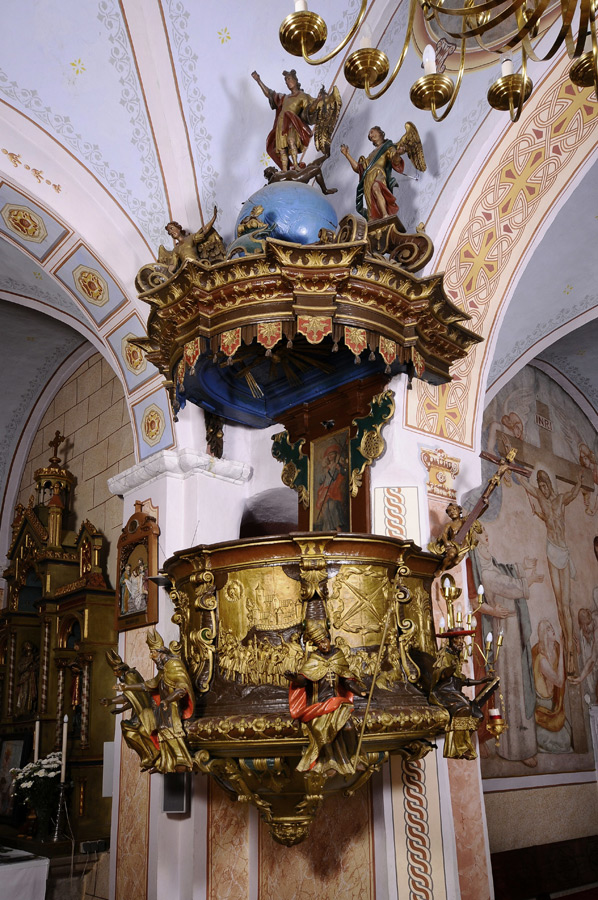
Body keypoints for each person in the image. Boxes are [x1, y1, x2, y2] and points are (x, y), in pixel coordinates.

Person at [470, 527, 542, 766]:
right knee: (512, 688)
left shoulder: (492, 568)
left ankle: (523, 745)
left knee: (517, 686)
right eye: (483, 542)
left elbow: (506, 570)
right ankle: (516, 749)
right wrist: (530, 579)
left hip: (512, 632)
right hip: (505, 636)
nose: (487, 543)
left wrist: (524, 567)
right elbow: (512, 586)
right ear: (476, 550)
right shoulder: (487, 575)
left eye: (487, 539)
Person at [286, 621, 366, 775]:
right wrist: (295, 678)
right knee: (319, 729)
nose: (323, 645)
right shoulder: (314, 659)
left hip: (338, 703)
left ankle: (356, 758)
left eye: (324, 641)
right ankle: (329, 762)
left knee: (348, 727)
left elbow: (347, 681)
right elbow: (304, 680)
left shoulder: (338, 656)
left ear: (329, 639)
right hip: (318, 706)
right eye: (319, 643)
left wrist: (361, 692)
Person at [523, 469, 582, 674]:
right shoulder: (540, 498)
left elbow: (573, 494)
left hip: (562, 551)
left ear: (549, 484)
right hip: (551, 550)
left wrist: (579, 481)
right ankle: (566, 644)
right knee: (558, 603)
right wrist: (512, 469)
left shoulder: (560, 499)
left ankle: (571, 648)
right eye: (540, 486)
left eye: (544, 485)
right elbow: (527, 487)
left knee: (565, 604)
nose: (542, 489)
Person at [126, 630, 195, 772]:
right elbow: (148, 685)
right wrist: (126, 687)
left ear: (161, 652)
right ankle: (165, 762)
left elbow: (182, 689)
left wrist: (168, 700)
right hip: (164, 706)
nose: (151, 656)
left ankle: (181, 760)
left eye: (153, 652)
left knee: (171, 731)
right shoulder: (163, 669)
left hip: (172, 706)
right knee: (157, 731)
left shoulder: (173, 665)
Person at [252, 70, 316, 171]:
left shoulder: (303, 96)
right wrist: (258, 80)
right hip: (281, 124)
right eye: (286, 81)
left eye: (289, 79)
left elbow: (310, 109)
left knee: (291, 141)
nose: (287, 82)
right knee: (282, 149)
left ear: (295, 80)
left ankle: (296, 165)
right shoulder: (284, 98)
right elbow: (270, 94)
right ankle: (285, 170)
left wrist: (320, 100)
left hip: (291, 123)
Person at [341, 126, 405, 221]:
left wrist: (398, 154)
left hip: (378, 173)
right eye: (369, 135)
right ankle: (375, 221)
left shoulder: (388, 147)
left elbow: (395, 160)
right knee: (371, 204)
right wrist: (347, 155)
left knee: (376, 187)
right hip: (368, 179)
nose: (370, 135)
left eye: (372, 132)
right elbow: (359, 168)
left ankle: (385, 215)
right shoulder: (371, 154)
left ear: (380, 133)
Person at [533, 619, 572, 753]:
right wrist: (561, 651)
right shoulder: (542, 659)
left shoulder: (554, 649)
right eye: (548, 629)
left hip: (552, 705)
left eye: (551, 627)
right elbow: (559, 682)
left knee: (568, 735)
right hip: (543, 708)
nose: (552, 630)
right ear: (544, 634)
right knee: (564, 743)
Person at [314, 442, 348, 531]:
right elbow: (321, 480)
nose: (330, 456)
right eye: (329, 455)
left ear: (335, 455)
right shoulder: (326, 467)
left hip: (334, 488)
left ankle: (338, 528)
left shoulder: (337, 465)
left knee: (332, 506)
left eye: (332, 454)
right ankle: (328, 528)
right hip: (325, 488)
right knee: (325, 508)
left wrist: (339, 469)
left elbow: (339, 475)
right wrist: (325, 472)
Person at [15, 641, 38, 715]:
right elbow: (20, 669)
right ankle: (23, 709)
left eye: (29, 644)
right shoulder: (23, 659)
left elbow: (37, 667)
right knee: (24, 693)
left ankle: (31, 709)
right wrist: (28, 663)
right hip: (25, 679)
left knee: (32, 694)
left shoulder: (35, 657)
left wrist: (34, 666)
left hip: (32, 677)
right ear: (24, 648)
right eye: (26, 644)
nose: (29, 645)